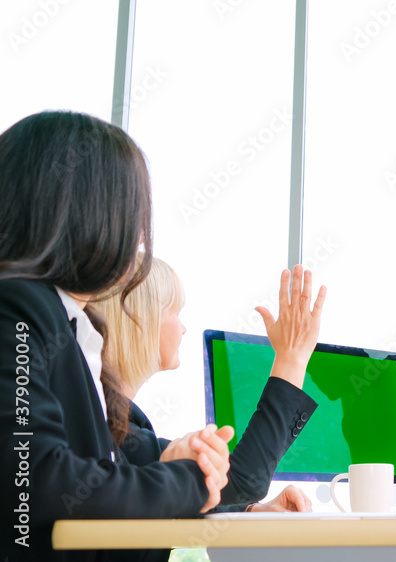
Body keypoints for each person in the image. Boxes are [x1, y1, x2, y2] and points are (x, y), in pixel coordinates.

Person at [0, 111, 324, 562]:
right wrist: (187, 480)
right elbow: (34, 481)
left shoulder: (71, 336)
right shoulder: (20, 306)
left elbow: (89, 503)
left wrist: (182, 471)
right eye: (131, 216)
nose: (136, 238)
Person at [90, 257, 317, 514]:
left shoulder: (116, 422)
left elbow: (175, 493)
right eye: (175, 312)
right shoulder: (110, 428)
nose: (183, 328)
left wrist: (252, 511)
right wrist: (292, 358)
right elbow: (242, 479)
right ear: (139, 321)